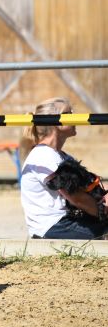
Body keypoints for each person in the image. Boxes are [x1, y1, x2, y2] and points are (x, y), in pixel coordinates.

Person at [20, 97, 108, 239]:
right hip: (54, 226)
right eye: (69, 113)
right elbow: (76, 197)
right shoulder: (44, 156)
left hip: (65, 221)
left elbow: (86, 189)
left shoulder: (61, 156)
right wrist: (103, 212)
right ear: (55, 122)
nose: (75, 117)